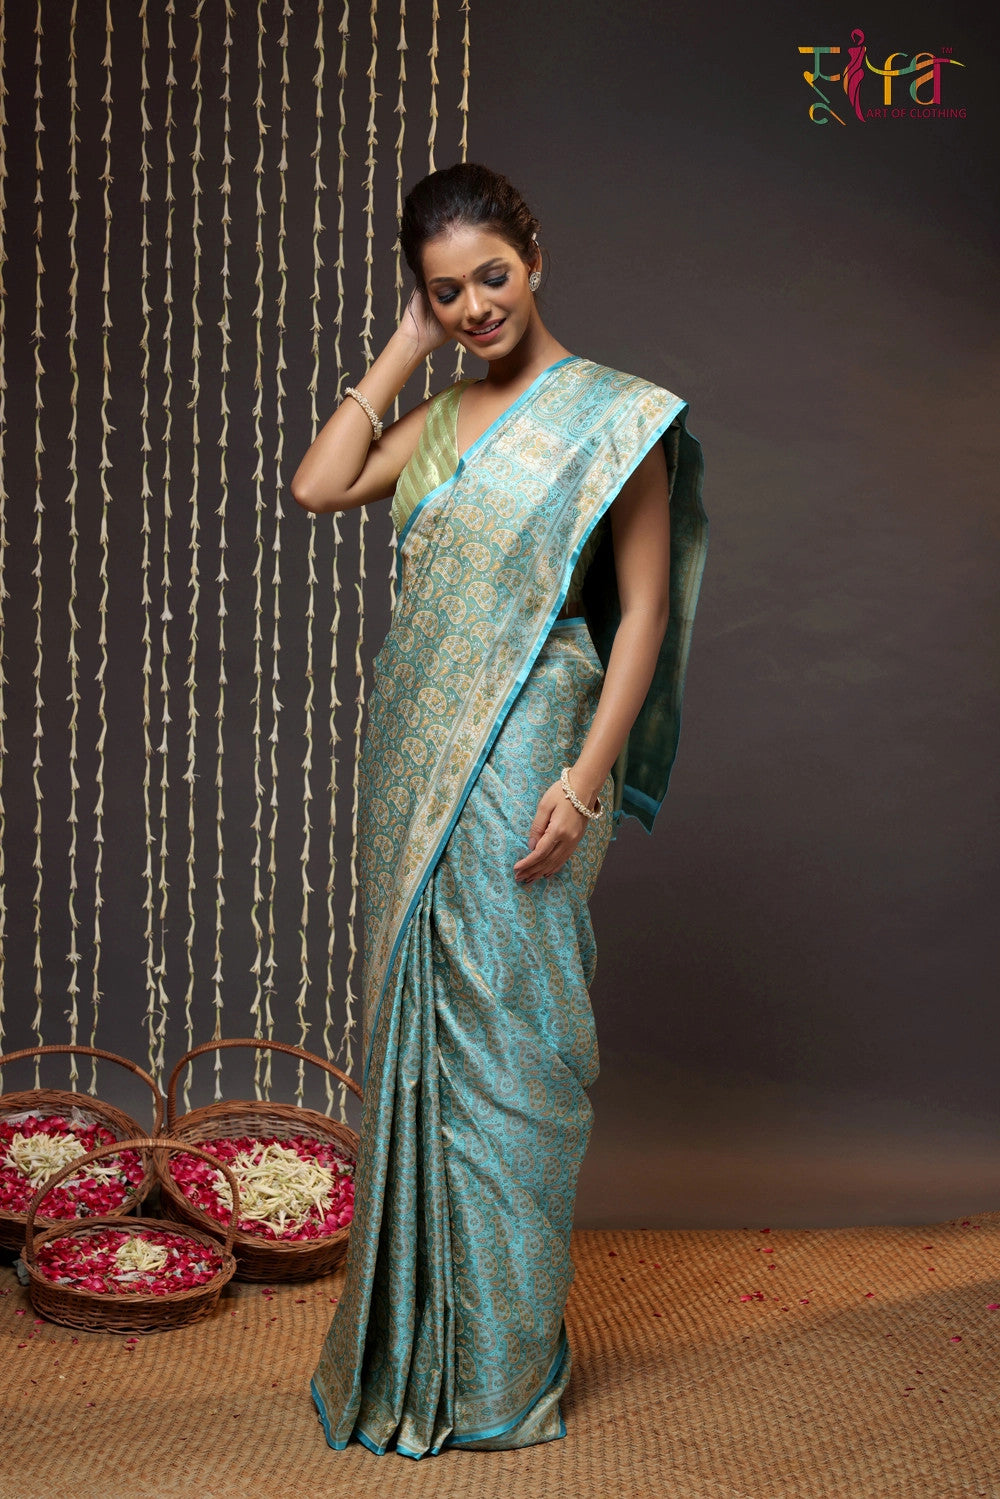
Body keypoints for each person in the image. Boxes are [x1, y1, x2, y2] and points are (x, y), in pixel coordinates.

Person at [292, 162, 707, 1458]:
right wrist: (402, 348)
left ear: (535, 258)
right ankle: (421, 1352)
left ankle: (501, 1375)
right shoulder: (438, 420)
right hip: (412, 761)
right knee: (423, 1046)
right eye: (444, 292)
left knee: (517, 1061)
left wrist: (584, 783)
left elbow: (642, 612)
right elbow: (317, 485)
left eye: (490, 276)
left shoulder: (615, 420)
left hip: (535, 755)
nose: (475, 305)